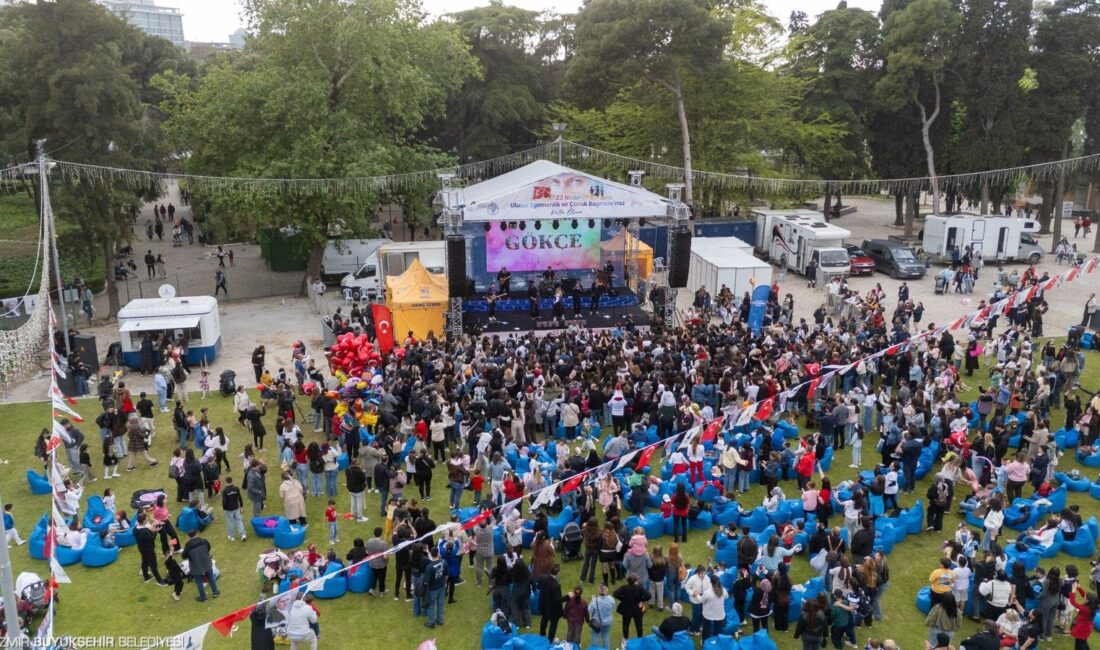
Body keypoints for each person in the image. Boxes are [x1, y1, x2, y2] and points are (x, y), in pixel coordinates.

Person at [182, 530, 219, 602]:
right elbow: (208, 548)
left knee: (199, 582)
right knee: (211, 577)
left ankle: (203, 597)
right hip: (206, 562)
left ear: (188, 536)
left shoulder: (188, 546)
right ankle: (215, 592)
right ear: (197, 534)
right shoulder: (204, 541)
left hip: (195, 566)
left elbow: (183, 556)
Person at [537, 564, 564, 641]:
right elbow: (557, 600)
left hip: (544, 604)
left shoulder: (543, 578)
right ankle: (550, 639)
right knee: (553, 624)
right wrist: (567, 597)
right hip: (552, 608)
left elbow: (539, 588)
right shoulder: (556, 585)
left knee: (544, 620)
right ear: (558, 573)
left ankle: (542, 634)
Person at [588, 583, 614, 649]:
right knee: (606, 635)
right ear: (606, 590)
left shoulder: (594, 600)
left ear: (599, 591)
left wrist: (590, 618)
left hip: (597, 622)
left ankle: (594, 649)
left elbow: (589, 610)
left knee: (595, 636)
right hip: (608, 621)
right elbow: (613, 607)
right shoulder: (611, 599)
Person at [221, 476, 246, 542]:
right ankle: (243, 534)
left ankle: (232, 536)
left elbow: (224, 501)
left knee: (230, 522)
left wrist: (224, 508)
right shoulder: (236, 488)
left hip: (228, 509)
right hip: (236, 507)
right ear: (232, 481)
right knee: (239, 521)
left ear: (226, 482)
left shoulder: (224, 491)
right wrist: (241, 506)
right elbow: (239, 498)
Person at [366, 527, 389, 596]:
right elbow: (385, 557)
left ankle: (372, 589)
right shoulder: (383, 543)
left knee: (374, 576)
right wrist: (387, 559)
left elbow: (367, 552)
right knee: (382, 578)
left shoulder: (369, 541)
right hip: (381, 565)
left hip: (372, 563)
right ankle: (382, 591)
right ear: (381, 534)